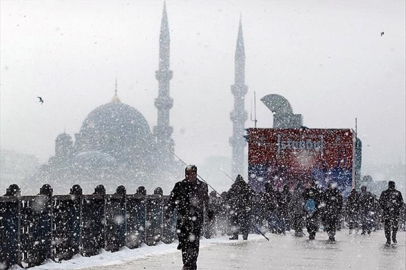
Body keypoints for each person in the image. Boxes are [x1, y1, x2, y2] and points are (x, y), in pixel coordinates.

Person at [166, 165, 209, 270]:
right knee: (184, 243)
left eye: (192, 173)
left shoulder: (202, 186)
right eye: (188, 173)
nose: (190, 176)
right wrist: (169, 211)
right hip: (182, 220)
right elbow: (172, 201)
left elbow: (206, 202)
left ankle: (189, 264)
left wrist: (209, 213)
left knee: (194, 243)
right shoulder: (179, 186)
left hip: (196, 220)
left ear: (196, 173)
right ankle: (188, 263)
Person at [226, 174, 253, 240]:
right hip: (244, 208)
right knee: (244, 222)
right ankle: (245, 235)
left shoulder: (234, 187)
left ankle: (235, 236)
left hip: (235, 208)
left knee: (234, 222)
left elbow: (227, 195)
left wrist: (230, 200)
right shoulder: (247, 187)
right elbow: (251, 196)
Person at [379, 181, 404, 246]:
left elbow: (401, 202)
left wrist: (396, 205)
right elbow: (380, 202)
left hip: (393, 212)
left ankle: (391, 237)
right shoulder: (386, 193)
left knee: (391, 226)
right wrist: (385, 206)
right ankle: (390, 238)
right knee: (390, 226)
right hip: (390, 212)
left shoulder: (396, 193)